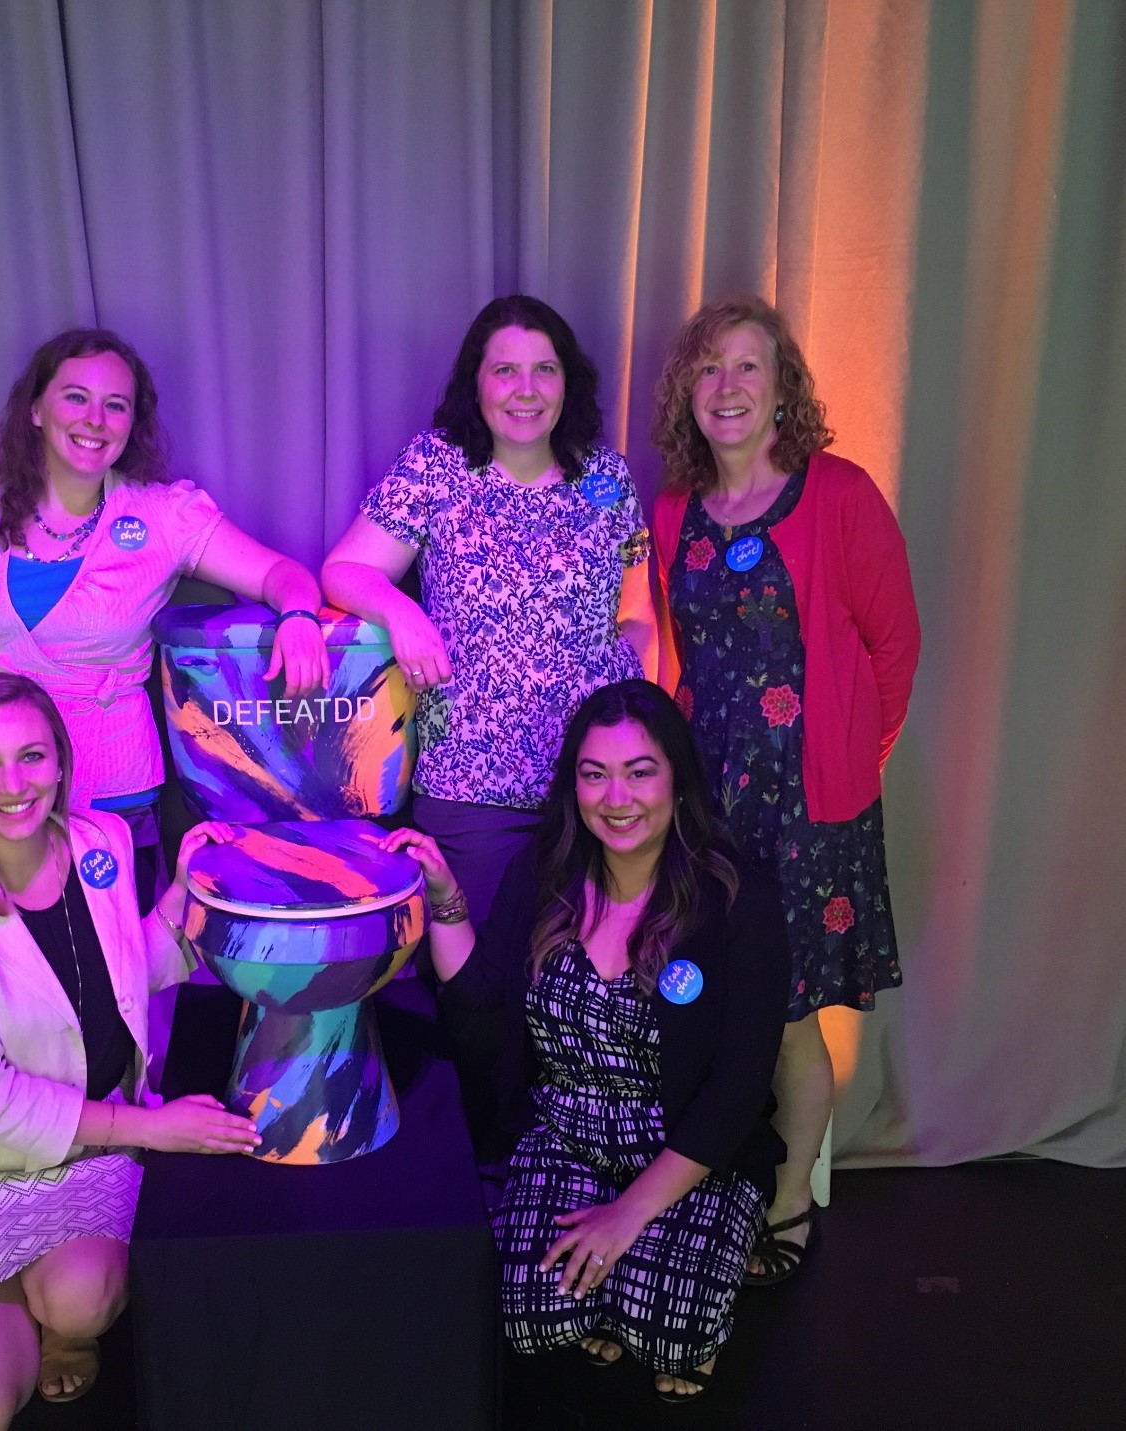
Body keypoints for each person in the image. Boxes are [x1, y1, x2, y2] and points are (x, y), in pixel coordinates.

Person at [385, 680, 788, 1404]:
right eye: (594, 773)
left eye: (640, 771)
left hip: (686, 1149)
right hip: (565, 1136)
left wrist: (627, 1212)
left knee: (671, 1329)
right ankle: (613, 1294)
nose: (616, 797)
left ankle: (655, 1289)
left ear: (677, 779)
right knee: (527, 1317)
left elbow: (738, 1087)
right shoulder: (543, 877)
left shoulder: (737, 900)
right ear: (572, 784)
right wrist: (444, 895)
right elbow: (479, 1020)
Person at [0, 673, 259, 1428]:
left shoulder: (102, 844)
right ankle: (5, 1306)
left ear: (61, 762)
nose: (14, 784)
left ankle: (60, 1327)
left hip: (86, 1159)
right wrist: (155, 1127)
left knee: (81, 1300)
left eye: (32, 756)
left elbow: (130, 972)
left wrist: (189, 892)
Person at [649, 295, 921, 1283]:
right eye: (709, 369)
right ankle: (714, 1182)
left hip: (810, 811)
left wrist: (853, 755)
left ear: (782, 392)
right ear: (689, 390)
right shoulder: (674, 511)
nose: (727, 387)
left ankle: (792, 1200)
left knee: (789, 1015)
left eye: (748, 368)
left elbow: (895, 646)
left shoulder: (839, 495)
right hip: (707, 804)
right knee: (711, 1004)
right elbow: (674, 657)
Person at [0, 327, 330, 913]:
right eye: (76, 397)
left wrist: (301, 616)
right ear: (35, 409)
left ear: (131, 425)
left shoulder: (164, 514)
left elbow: (284, 575)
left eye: (115, 405)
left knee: (109, 981)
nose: (95, 419)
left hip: (108, 793)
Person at [321, 295, 653, 927]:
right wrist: (403, 612)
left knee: (582, 979)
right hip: (472, 789)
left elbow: (636, 613)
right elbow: (345, 570)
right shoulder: (438, 465)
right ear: (476, 383)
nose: (525, 390)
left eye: (544, 370)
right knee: (477, 990)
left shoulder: (606, 477)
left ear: (567, 382)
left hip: (593, 790)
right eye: (505, 370)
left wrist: (636, 735)